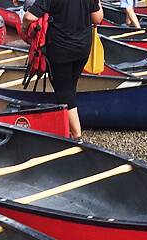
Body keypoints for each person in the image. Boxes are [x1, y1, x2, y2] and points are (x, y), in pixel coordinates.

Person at [21, 0, 103, 138]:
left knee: (63, 90)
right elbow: (97, 18)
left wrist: (24, 27)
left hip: (60, 48)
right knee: (70, 86)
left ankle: (77, 136)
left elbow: (29, 17)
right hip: (83, 47)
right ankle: (69, 127)